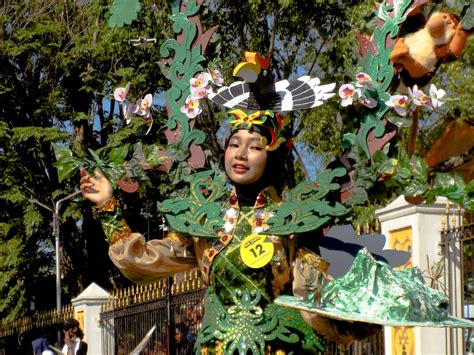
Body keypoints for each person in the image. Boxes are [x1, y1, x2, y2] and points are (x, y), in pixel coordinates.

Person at [80, 109, 379, 354]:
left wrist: (358, 317)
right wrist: (108, 206)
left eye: (255, 147)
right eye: (234, 144)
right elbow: (140, 262)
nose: (241, 154)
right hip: (217, 347)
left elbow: (310, 297)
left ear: (273, 156)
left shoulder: (293, 222)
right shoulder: (204, 221)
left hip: (282, 346)